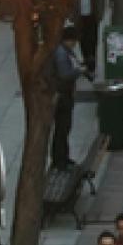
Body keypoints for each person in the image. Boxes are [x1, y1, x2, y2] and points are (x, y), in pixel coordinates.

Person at [49, 27, 85, 171]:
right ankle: (59, 159)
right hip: (62, 95)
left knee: (64, 127)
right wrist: (78, 71)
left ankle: (63, 156)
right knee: (62, 127)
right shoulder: (61, 53)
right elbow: (65, 75)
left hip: (65, 94)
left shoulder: (64, 51)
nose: (74, 44)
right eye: (74, 41)